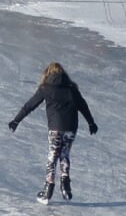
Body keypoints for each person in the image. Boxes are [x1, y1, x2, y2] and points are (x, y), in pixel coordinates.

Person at [8, 61, 97, 202]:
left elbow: (30, 105)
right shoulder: (72, 88)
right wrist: (91, 123)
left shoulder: (45, 88)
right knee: (64, 154)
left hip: (55, 128)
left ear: (47, 73)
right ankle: (66, 187)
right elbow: (83, 106)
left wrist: (16, 120)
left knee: (52, 156)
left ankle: (48, 190)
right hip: (71, 128)